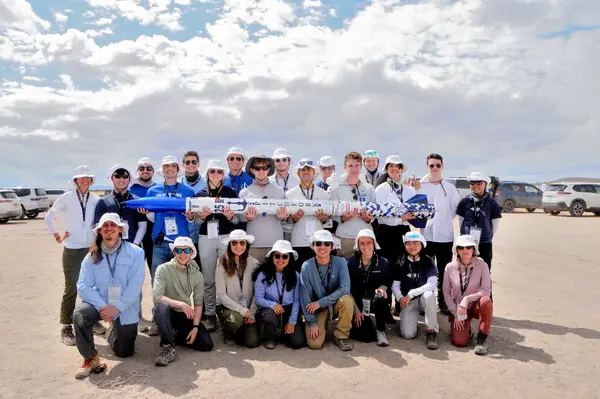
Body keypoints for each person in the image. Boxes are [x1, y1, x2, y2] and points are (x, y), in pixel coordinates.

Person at [73, 213, 145, 379]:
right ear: (100, 231)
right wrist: (103, 307)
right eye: (105, 226)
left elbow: (135, 285)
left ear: (120, 230)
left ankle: (112, 332)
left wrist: (117, 308)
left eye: (113, 226)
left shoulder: (136, 253)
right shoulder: (91, 256)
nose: (109, 229)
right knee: (80, 314)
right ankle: (90, 358)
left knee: (124, 352)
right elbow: (83, 286)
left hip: (125, 307)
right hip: (101, 305)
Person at [45, 165, 104, 345]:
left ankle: (91, 319)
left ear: (92, 180)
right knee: (71, 287)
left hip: (91, 248)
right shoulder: (66, 197)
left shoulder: (96, 199)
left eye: (88, 178)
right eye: (81, 178)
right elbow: (49, 216)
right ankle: (66, 326)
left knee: (92, 287)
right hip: (72, 249)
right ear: (76, 180)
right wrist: (57, 236)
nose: (85, 180)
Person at [153, 237, 213, 367]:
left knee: (206, 344)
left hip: (183, 314)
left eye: (186, 250)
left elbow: (198, 303)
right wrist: (180, 304)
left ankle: (173, 334)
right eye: (178, 250)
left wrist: (196, 327)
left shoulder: (197, 275)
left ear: (192, 252)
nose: (182, 254)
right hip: (166, 312)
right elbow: (157, 297)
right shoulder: (163, 269)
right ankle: (167, 348)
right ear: (174, 252)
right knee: (162, 307)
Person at [195, 159, 239, 332]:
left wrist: (229, 216)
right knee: (208, 278)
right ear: (207, 173)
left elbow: (236, 220)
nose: (215, 175)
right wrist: (203, 216)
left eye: (219, 172)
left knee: (227, 275)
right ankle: (210, 314)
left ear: (223, 175)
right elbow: (196, 221)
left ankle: (225, 312)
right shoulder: (200, 194)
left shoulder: (230, 192)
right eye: (212, 171)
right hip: (206, 237)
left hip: (225, 236)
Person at [139, 155, 196, 282]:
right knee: (159, 281)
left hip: (181, 244)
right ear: (162, 169)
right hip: (160, 242)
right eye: (166, 166)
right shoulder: (152, 191)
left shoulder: (189, 191)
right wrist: (147, 213)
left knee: (181, 282)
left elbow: (192, 219)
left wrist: (191, 217)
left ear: (177, 169)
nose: (169, 168)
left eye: (172, 166)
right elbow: (154, 219)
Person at [416, 153, 460, 315]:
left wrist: (444, 220)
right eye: (431, 165)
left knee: (444, 271)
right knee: (425, 270)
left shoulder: (449, 187)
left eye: (437, 165)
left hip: (445, 237)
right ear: (427, 167)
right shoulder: (420, 185)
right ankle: (423, 302)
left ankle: (443, 301)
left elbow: (455, 209)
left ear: (442, 166)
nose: (434, 168)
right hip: (426, 236)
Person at [300, 230, 355, 351]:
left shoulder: (341, 262)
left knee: (347, 300)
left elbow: (345, 289)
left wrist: (321, 302)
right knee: (315, 344)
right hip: (317, 309)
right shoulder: (306, 266)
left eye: (327, 243)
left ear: (332, 246)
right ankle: (320, 324)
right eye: (318, 243)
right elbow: (305, 298)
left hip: (330, 304)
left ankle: (341, 336)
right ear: (313, 246)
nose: (322, 247)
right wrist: (312, 322)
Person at [443, 235, 493, 355]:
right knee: (460, 342)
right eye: (461, 247)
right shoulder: (450, 267)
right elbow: (446, 292)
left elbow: (486, 290)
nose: (465, 250)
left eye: (468, 247)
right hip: (458, 309)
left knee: (486, 301)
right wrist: (456, 313)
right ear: (457, 250)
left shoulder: (482, 265)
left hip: (475, 305)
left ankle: (482, 337)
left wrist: (467, 299)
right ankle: (467, 329)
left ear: (474, 249)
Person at [253, 240, 306, 349]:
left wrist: (292, 321)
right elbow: (258, 299)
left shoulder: (295, 275)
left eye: (285, 256)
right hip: (271, 309)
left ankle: (284, 332)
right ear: (272, 257)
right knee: (269, 316)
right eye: (277, 256)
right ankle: (270, 338)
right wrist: (272, 305)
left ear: (289, 258)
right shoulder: (262, 275)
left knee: (297, 342)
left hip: (289, 309)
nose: (280, 260)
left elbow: (297, 301)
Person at [392, 231, 439, 349]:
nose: (412, 247)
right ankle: (412, 320)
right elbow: (395, 285)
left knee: (429, 295)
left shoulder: (428, 261)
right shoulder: (400, 261)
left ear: (422, 244)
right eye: (408, 243)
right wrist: (400, 297)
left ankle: (431, 330)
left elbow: (432, 284)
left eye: (415, 243)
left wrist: (412, 293)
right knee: (407, 334)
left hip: (423, 299)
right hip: (408, 301)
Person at [215, 230, 261, 347]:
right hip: (229, 308)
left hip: (248, 309)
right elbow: (221, 295)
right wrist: (241, 310)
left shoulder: (254, 263)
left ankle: (241, 331)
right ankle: (227, 332)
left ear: (246, 245)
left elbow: (258, 292)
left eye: (242, 243)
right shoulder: (222, 264)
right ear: (230, 246)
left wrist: (252, 312)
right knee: (236, 319)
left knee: (252, 342)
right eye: (234, 243)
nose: (238, 246)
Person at [239, 155, 289, 261]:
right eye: (257, 168)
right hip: (253, 244)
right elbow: (239, 218)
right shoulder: (244, 192)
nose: (261, 171)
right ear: (252, 170)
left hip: (275, 245)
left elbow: (287, 220)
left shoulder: (279, 191)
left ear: (269, 169)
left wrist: (283, 218)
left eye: (264, 168)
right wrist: (247, 218)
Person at [347, 229, 391, 346]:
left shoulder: (383, 262)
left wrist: (382, 289)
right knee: (366, 337)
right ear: (358, 244)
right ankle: (363, 322)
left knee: (381, 298)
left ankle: (381, 331)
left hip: (374, 299)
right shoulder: (350, 263)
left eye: (368, 242)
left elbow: (386, 282)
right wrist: (356, 311)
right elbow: (346, 288)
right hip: (356, 302)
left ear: (374, 244)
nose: (365, 246)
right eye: (362, 243)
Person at [329, 151, 376, 258]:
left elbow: (375, 213)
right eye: (350, 165)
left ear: (361, 167)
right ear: (345, 167)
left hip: (366, 238)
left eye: (357, 165)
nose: (354, 169)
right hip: (345, 238)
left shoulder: (369, 189)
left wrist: (368, 219)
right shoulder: (336, 188)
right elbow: (331, 213)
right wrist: (342, 218)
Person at [286, 158, 331, 268]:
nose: (306, 172)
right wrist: (293, 219)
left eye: (309, 169)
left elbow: (329, 221)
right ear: (298, 172)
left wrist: (324, 219)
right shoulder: (289, 195)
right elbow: (285, 220)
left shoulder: (325, 195)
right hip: (298, 241)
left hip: (319, 242)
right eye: (303, 170)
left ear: (314, 172)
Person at [456, 172, 501, 270]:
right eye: (472, 183)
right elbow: (461, 222)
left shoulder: (492, 203)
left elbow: (495, 224)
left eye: (479, 183)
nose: (475, 186)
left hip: (485, 243)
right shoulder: (464, 201)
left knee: (484, 270)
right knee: (465, 270)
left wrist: (487, 235)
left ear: (485, 184)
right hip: (467, 243)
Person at [94, 164, 147, 246]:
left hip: (133, 247)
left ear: (129, 179)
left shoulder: (137, 201)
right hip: (110, 247)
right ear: (112, 178)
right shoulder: (103, 202)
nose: (121, 179)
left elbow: (142, 226)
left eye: (125, 176)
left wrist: (135, 245)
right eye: (117, 176)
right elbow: (98, 226)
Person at [129, 157, 157, 274]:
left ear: (153, 171)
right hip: (134, 234)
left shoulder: (158, 189)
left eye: (149, 168)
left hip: (153, 234)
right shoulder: (130, 187)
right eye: (142, 168)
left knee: (154, 268)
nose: (145, 170)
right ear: (137, 171)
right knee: (133, 271)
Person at [180, 151, 205, 267]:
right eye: (187, 162)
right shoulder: (177, 184)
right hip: (182, 233)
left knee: (199, 268)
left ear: (198, 164)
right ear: (183, 164)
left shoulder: (206, 183)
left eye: (194, 162)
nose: (191, 164)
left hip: (201, 234)